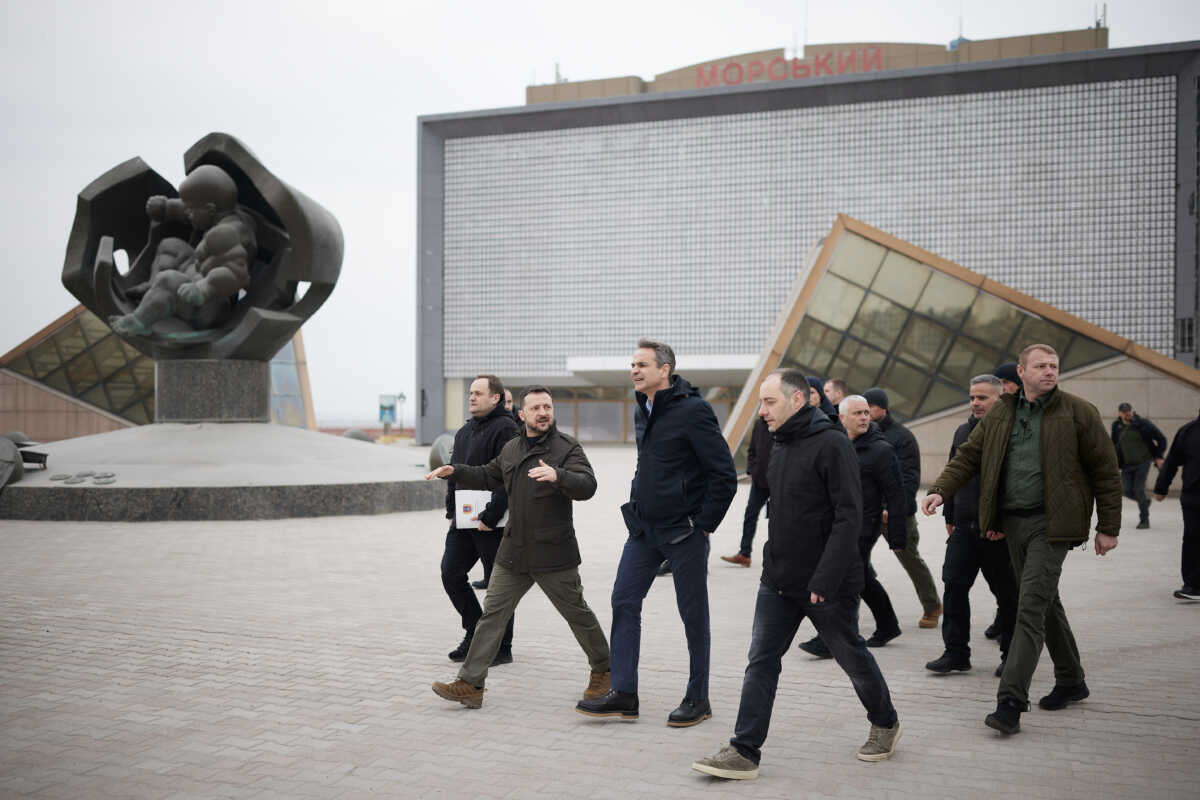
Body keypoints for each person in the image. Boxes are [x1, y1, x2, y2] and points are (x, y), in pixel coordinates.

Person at [691, 371, 900, 781]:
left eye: (769, 402)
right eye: (761, 403)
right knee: (761, 661)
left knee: (852, 656)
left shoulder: (833, 443)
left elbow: (848, 517)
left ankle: (886, 722)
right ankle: (744, 750)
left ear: (799, 399)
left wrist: (824, 579)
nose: (762, 411)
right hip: (779, 580)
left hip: (827, 584)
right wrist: (770, 563)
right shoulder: (779, 443)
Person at [921, 343, 1121, 736]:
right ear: (1021, 372)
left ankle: (1010, 701)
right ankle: (1071, 680)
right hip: (1012, 524)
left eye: (1054, 365)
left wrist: (1108, 527)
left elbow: (1106, 471)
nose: (1049, 371)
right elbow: (968, 457)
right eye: (1041, 366)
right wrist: (941, 490)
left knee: (1029, 607)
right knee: (1046, 602)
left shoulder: (1079, 412)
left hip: (1054, 524)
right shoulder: (1002, 412)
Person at [576, 339, 737, 727]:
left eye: (642, 364)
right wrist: (636, 502)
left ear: (664, 370)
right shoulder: (643, 411)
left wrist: (702, 526)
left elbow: (724, 475)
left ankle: (698, 698)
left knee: (692, 616)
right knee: (623, 601)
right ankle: (625, 693)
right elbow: (646, 465)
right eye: (632, 364)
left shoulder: (694, 411)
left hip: (684, 534)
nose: (634, 370)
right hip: (644, 530)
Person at [427, 386, 611, 708]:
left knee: (577, 614)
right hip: (513, 551)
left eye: (548, 407)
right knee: (492, 617)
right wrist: (456, 471)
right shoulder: (512, 449)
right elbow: (488, 474)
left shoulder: (567, 448)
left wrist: (559, 476)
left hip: (553, 553)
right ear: (522, 414)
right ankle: (471, 684)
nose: (543, 413)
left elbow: (588, 486)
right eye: (536, 408)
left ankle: (605, 670)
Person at [798, 394, 909, 658]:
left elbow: (897, 493)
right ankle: (888, 625)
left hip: (864, 526)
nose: (863, 418)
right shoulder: (835, 443)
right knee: (863, 578)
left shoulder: (881, 450)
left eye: (866, 413)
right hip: (839, 523)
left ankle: (830, 638)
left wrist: (897, 536)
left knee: (840, 578)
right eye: (857, 413)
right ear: (842, 417)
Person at [925, 375, 1017, 677]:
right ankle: (955, 653)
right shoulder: (963, 431)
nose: (975, 403)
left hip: (997, 532)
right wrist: (949, 515)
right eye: (972, 397)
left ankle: (1012, 656)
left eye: (982, 398)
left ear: (999, 399)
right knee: (953, 587)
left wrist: (1002, 522)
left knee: (1007, 595)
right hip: (964, 528)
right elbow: (955, 469)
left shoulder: (1013, 432)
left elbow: (1015, 483)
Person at [110, 164, 257, 337]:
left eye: (191, 210)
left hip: (209, 305)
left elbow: (236, 275)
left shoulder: (228, 234)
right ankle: (152, 287)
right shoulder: (217, 213)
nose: (188, 214)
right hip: (195, 278)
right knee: (170, 245)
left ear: (210, 209)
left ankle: (139, 321)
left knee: (168, 279)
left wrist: (204, 289)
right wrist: (166, 207)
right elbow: (185, 209)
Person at [440, 375, 518, 664]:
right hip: (463, 519)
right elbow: (453, 470)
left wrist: (492, 514)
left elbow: (508, 476)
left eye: (478, 393)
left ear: (495, 397)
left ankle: (501, 647)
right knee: (451, 573)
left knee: (498, 587)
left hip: (493, 523)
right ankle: (474, 631)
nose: (471, 397)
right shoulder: (464, 431)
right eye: (470, 393)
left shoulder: (507, 429)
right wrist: (451, 508)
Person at [862, 387, 942, 628]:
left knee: (910, 559)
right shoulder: (863, 434)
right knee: (855, 559)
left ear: (882, 409)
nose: (865, 414)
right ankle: (849, 610)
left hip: (895, 513)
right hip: (868, 511)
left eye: (870, 408)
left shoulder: (902, 437)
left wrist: (892, 508)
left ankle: (932, 606)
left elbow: (908, 478)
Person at [1153, 408, 1200, 600]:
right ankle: (1193, 586)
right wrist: (1161, 488)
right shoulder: (1188, 431)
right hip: (1193, 497)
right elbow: (1172, 461)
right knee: (1192, 538)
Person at [721, 417, 771, 568]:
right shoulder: (759, 423)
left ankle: (775, 556)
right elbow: (752, 449)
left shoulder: (783, 420)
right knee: (750, 515)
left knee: (777, 520)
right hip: (759, 481)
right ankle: (744, 554)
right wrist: (751, 468)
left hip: (778, 481)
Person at [1111, 402, 1167, 529]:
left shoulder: (1142, 423)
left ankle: (1144, 520)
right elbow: (1113, 444)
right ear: (1119, 413)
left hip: (1143, 462)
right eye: (1124, 412)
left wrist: (1158, 456)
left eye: (1129, 411)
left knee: (1139, 489)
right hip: (1126, 464)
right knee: (1125, 490)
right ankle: (1144, 502)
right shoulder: (1116, 426)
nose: (1127, 414)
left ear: (1132, 411)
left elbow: (1161, 438)